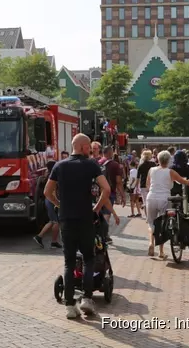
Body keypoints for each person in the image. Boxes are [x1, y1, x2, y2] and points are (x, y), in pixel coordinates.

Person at [44, 133, 111, 319]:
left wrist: (59, 205)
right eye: (89, 146)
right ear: (82, 147)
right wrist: (96, 209)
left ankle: (69, 306)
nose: (90, 150)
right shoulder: (91, 165)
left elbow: (47, 191)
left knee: (69, 262)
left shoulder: (59, 165)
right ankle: (87, 299)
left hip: (66, 219)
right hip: (85, 218)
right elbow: (106, 189)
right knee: (89, 258)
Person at [146, 150, 189, 258]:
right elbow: (185, 182)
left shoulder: (151, 170)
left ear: (158, 159)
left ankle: (151, 243)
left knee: (151, 223)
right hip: (165, 198)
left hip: (151, 197)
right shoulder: (170, 172)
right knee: (162, 223)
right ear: (169, 160)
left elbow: (147, 184)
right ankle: (161, 252)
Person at [98, 146, 124, 243]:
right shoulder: (115, 165)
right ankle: (104, 234)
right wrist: (122, 195)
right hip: (109, 192)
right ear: (110, 153)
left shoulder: (97, 162)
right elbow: (118, 181)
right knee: (106, 214)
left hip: (97, 192)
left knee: (98, 212)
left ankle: (99, 233)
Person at [34, 161, 62, 249]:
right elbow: (52, 191)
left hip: (49, 200)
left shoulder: (48, 175)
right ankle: (51, 241)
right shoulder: (53, 177)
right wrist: (57, 202)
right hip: (51, 201)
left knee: (52, 221)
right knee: (56, 222)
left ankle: (41, 237)